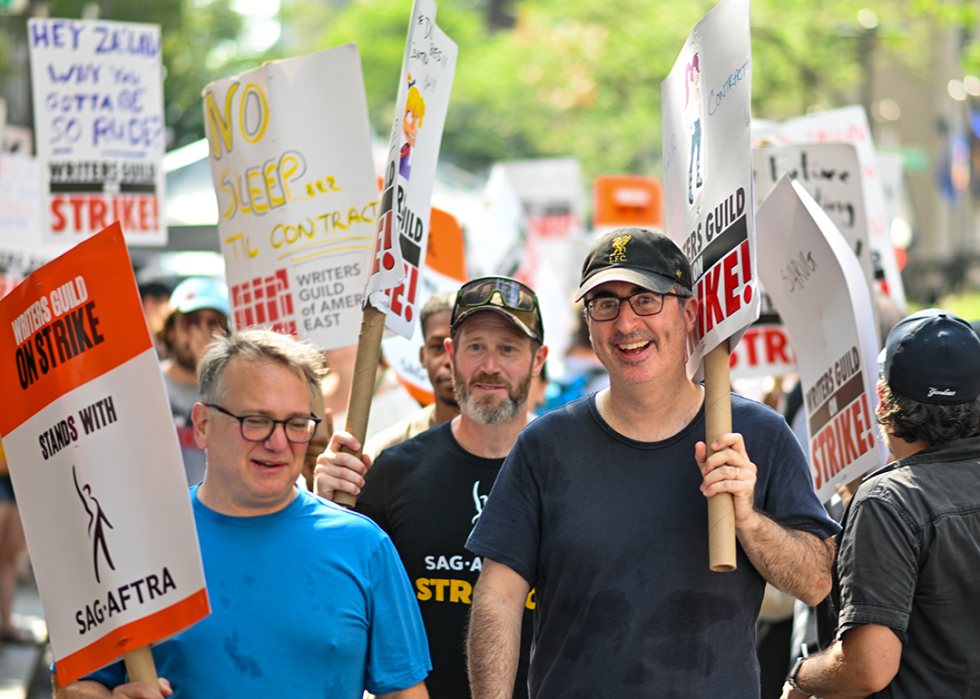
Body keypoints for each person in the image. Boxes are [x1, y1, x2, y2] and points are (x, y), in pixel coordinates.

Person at [465, 227, 839, 698]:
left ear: (689, 313)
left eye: (645, 299)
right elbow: (498, 597)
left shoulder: (757, 435)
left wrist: (749, 520)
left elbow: (816, 582)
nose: (624, 324)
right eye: (605, 304)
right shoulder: (544, 446)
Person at [54, 329, 431, 699]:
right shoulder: (133, 545)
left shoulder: (364, 546)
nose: (278, 442)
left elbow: (405, 692)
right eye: (256, 420)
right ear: (202, 425)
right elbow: (73, 683)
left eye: (297, 424)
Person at [317, 277, 548, 699]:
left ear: (538, 361)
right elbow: (335, 599)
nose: (490, 366)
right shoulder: (393, 473)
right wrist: (324, 508)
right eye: (475, 346)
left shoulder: (566, 471)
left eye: (508, 348)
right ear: (450, 354)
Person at [783, 309, 980, 699]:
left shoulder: (887, 503)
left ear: (881, 399)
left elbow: (868, 669)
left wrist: (800, 677)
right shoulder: (888, 499)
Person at [366, 292, 460, 459]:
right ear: (423, 356)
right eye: (438, 347)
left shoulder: (515, 442)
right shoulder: (386, 451)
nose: (448, 360)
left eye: (459, 346)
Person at [159, 277, 230, 486]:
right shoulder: (147, 383)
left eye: (213, 323)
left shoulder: (233, 390)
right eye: (191, 322)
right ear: (171, 331)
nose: (202, 332)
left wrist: (210, 376)